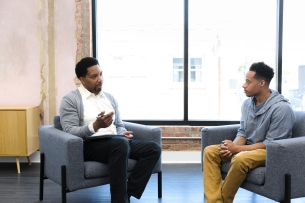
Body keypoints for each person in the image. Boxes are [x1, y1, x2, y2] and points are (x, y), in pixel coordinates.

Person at [59, 57, 161, 203]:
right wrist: (94, 126)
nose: (100, 79)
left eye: (101, 74)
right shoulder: (70, 100)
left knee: (153, 148)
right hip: (89, 145)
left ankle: (127, 193)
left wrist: (122, 133)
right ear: (82, 79)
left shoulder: (109, 98)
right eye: (94, 76)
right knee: (119, 144)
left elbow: (119, 125)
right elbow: (69, 131)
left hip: (116, 142)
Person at [203, 62, 295, 203]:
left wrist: (238, 149)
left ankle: (224, 200)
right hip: (248, 147)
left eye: (248, 81)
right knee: (210, 152)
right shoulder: (247, 104)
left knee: (241, 159)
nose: (243, 85)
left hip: (271, 151)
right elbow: (243, 132)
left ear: (262, 83)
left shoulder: (281, 109)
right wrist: (231, 147)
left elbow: (271, 144)